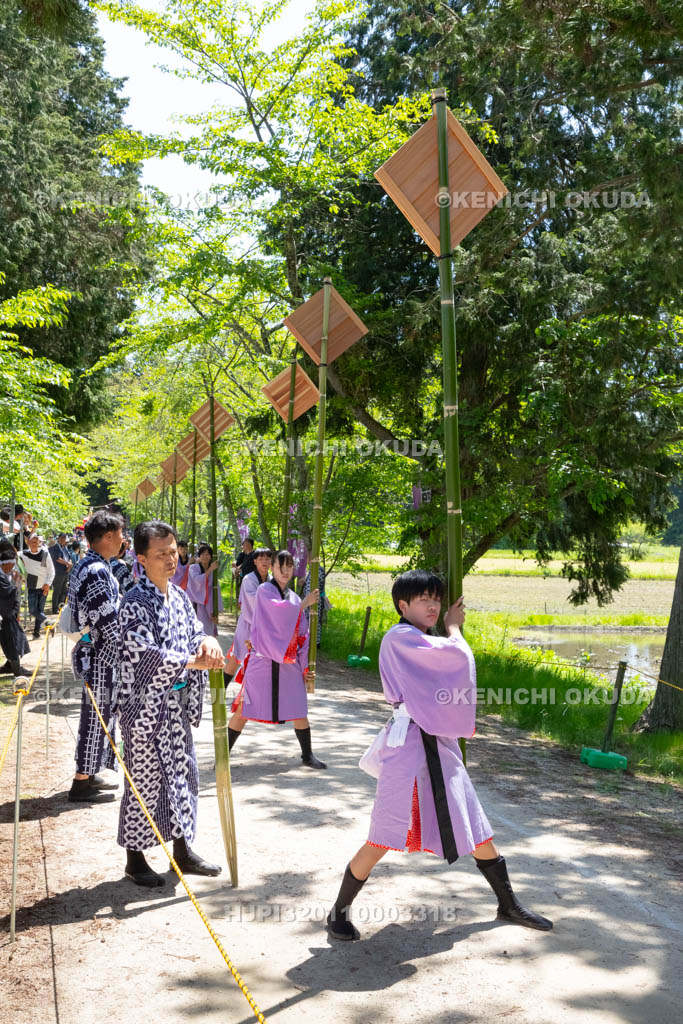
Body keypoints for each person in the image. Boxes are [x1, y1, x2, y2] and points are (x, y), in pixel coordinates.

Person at [326, 570, 553, 941]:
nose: (433, 605)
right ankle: (338, 913)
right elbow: (456, 659)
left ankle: (508, 902)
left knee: (474, 823)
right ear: (403, 605)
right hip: (410, 746)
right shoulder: (402, 637)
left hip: (437, 744)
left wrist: (446, 630)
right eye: (424, 599)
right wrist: (454, 627)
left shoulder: (419, 637)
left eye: (437, 599)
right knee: (385, 832)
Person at [116, 520, 224, 887]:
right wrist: (192, 661)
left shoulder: (177, 596)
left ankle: (182, 849)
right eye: (161, 553)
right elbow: (143, 654)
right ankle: (135, 858)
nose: (170, 559)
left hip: (175, 704)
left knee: (182, 775)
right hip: (145, 708)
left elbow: (195, 631)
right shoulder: (133, 601)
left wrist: (208, 644)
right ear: (141, 558)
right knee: (144, 783)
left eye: (174, 550)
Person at [228, 550, 326, 769]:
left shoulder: (294, 596)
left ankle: (307, 754)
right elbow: (278, 613)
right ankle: (224, 754)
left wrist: (305, 666)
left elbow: (302, 633)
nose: (285, 571)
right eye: (281, 566)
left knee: (298, 706)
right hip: (263, 660)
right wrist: (303, 605)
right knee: (245, 708)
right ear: (272, 567)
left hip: (288, 661)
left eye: (289, 566)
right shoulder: (264, 590)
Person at [68, 510, 124, 803]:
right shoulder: (96, 570)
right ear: (108, 536)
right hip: (100, 655)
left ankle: (88, 774)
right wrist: (127, 652)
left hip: (95, 653)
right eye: (120, 534)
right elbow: (106, 619)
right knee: (95, 718)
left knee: (98, 716)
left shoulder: (87, 565)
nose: (123, 540)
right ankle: (81, 783)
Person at [222, 547, 272, 683]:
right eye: (261, 559)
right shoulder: (249, 579)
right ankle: (218, 696)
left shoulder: (272, 580)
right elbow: (253, 601)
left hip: (264, 628)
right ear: (255, 561)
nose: (264, 562)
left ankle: (248, 702)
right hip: (248, 624)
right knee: (236, 659)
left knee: (259, 663)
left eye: (267, 559)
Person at [0, 543, 30, 677]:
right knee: (11, 642)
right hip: (4, 616)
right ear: (5, 564)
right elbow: (8, 592)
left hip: (9, 614)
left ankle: (9, 666)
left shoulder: (7, 573)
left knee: (17, 639)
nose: (13, 568)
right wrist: (16, 583)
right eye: (12, 565)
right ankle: (16, 671)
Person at [19, 533, 55, 639]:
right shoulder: (23, 554)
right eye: (32, 541)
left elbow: (51, 571)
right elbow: (12, 555)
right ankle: (49, 622)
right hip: (32, 586)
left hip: (43, 586)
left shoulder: (45, 554)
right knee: (33, 610)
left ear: (39, 542)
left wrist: (48, 584)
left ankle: (36, 633)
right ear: (28, 542)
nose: (34, 543)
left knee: (40, 611)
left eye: (36, 541)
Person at [185, 542, 223, 637]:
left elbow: (216, 589)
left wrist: (216, 609)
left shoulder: (213, 571)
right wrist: (210, 569)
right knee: (196, 630)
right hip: (196, 603)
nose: (205, 556)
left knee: (209, 631)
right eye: (203, 554)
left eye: (208, 554)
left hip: (209, 604)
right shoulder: (193, 567)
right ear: (199, 556)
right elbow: (198, 581)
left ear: (211, 556)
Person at [302, 564, 328, 647]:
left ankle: (315, 643)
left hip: (315, 601)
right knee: (308, 621)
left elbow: (315, 588)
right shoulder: (312, 569)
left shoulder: (317, 570)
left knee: (314, 621)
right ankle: (309, 641)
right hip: (309, 601)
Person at [48, 532, 73, 612]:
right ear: (58, 538)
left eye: (64, 538)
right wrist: (67, 563)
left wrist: (69, 564)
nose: (63, 539)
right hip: (58, 571)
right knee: (57, 590)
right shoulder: (55, 547)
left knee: (64, 590)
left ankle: (61, 607)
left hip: (66, 571)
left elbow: (68, 557)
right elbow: (57, 559)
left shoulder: (65, 547)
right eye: (62, 538)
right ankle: (55, 608)